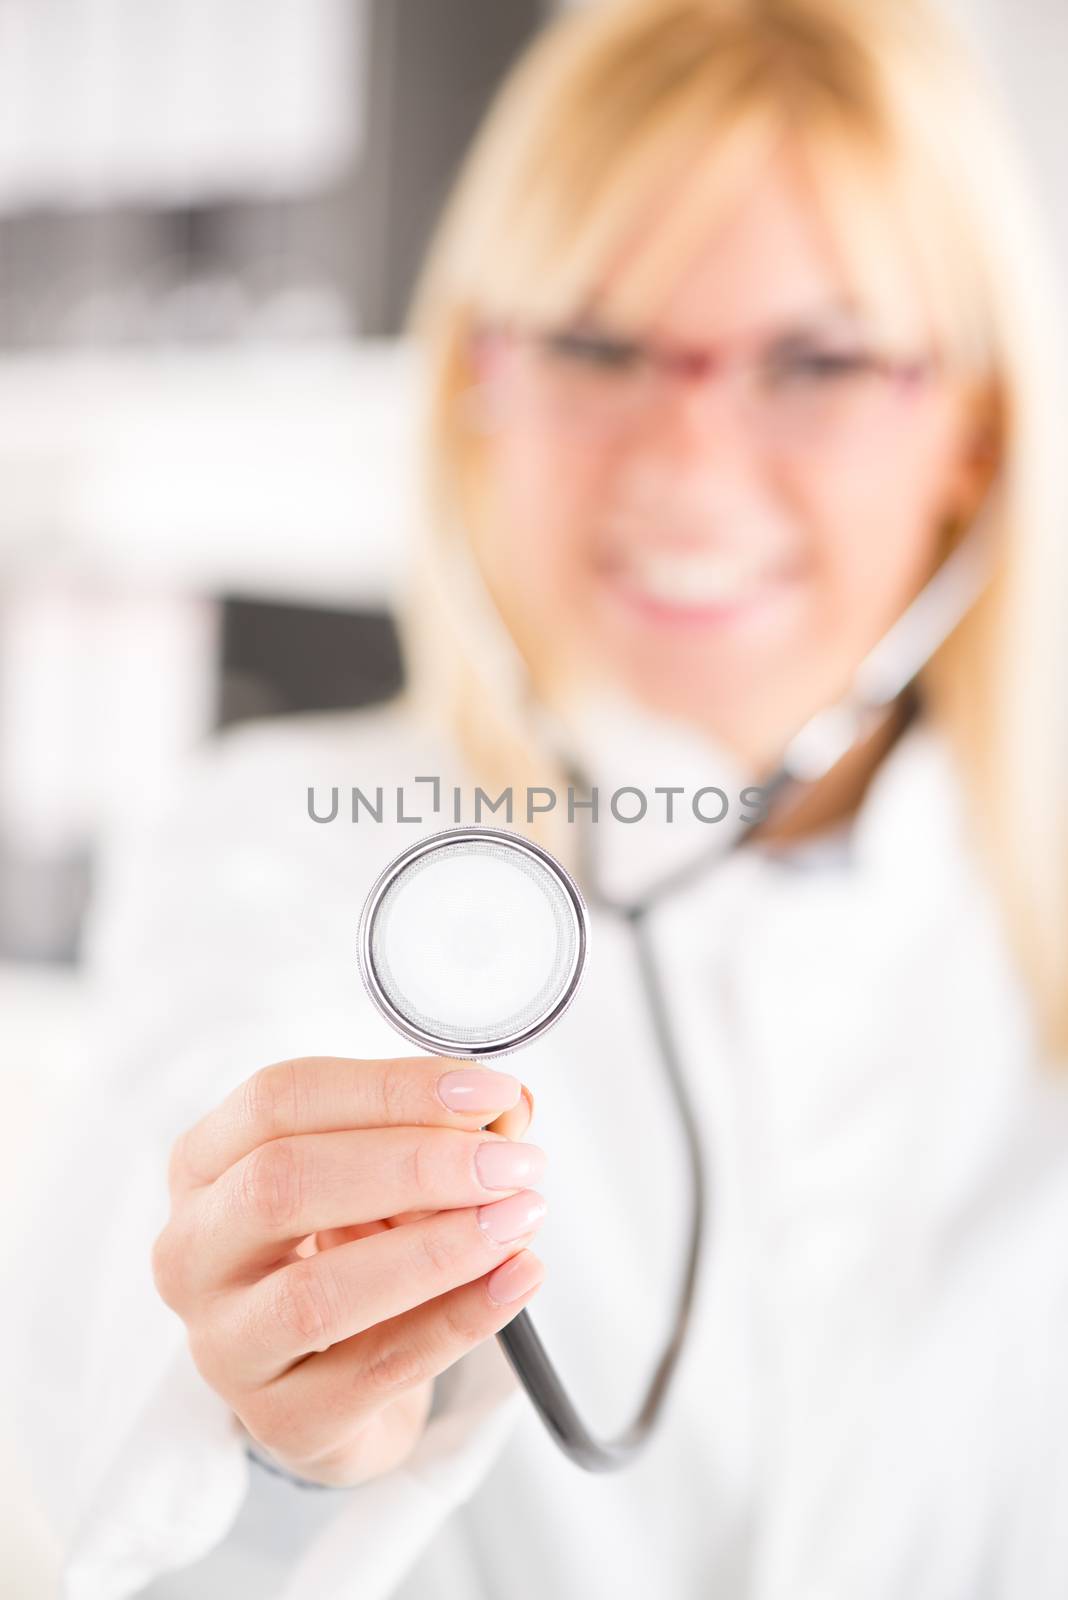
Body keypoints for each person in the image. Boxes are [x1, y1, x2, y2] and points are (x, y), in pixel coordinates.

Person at [8, 0, 1068, 1595]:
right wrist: (284, 1427)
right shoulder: (281, 843)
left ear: (977, 439)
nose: (688, 456)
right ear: (477, 386)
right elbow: (134, 1359)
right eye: (593, 341)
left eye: (819, 360)